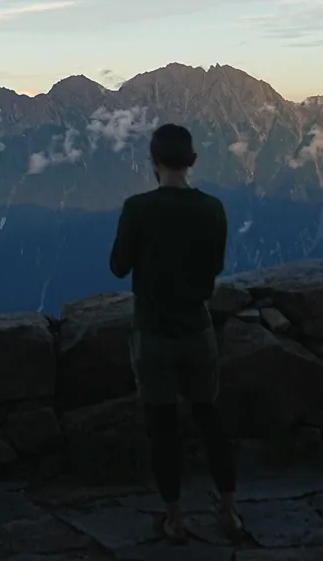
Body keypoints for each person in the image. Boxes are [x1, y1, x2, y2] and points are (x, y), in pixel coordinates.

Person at [110, 123, 241, 542]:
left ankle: (174, 517)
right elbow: (216, 266)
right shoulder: (213, 209)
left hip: (152, 333)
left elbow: (118, 265)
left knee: (162, 427)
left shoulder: (137, 208)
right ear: (193, 161)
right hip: (197, 329)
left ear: (153, 161)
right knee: (210, 418)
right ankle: (229, 511)